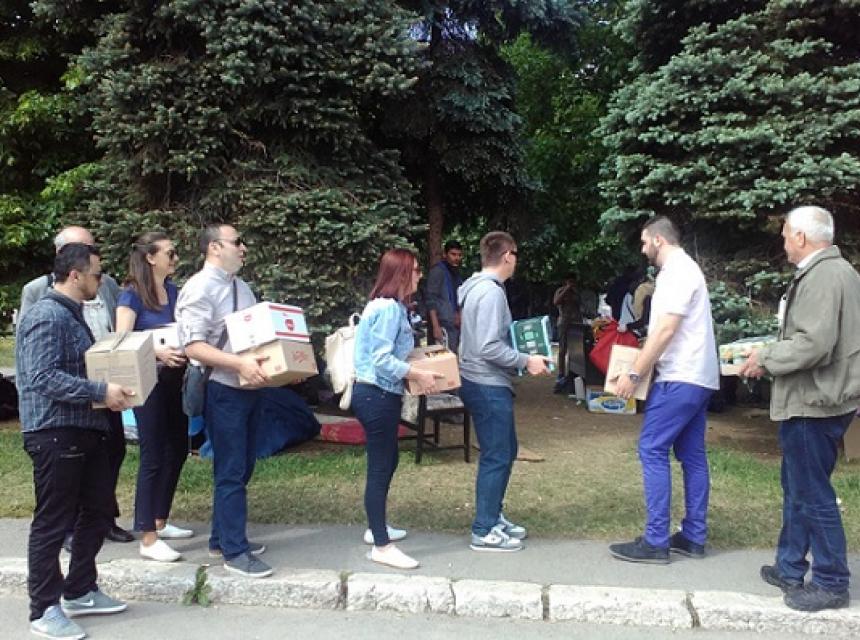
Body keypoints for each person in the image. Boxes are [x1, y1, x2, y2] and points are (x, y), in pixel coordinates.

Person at [740, 205, 860, 612]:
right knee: (798, 488)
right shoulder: (833, 272)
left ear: (802, 237)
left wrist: (766, 357)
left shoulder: (824, 276)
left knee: (812, 494)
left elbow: (814, 344)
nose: (784, 242)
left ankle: (831, 581)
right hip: (817, 398)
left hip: (815, 402)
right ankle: (789, 567)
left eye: (786, 234)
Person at [16, 243, 135, 640]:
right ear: (75, 275)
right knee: (53, 522)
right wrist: (100, 391)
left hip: (86, 429)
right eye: (97, 275)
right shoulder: (47, 315)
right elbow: (42, 376)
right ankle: (43, 609)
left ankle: (80, 589)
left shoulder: (72, 314)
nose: (102, 283)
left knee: (99, 510)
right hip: (54, 433)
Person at [609, 216, 719, 564]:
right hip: (698, 377)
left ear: (658, 240)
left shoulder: (676, 273)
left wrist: (634, 373)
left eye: (644, 242)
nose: (643, 249)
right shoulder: (687, 271)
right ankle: (693, 537)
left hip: (679, 377)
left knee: (652, 449)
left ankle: (656, 541)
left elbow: (666, 331)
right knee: (692, 455)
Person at [176, 224, 272, 578]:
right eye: (237, 242)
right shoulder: (199, 288)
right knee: (230, 470)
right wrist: (239, 364)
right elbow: (193, 346)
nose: (244, 248)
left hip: (249, 387)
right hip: (223, 389)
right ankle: (235, 551)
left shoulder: (240, 287)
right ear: (215, 247)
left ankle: (221, 538)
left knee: (243, 466)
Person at [458, 231, 551, 552]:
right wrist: (526, 360)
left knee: (505, 450)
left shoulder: (477, 288)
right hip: (485, 383)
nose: (516, 261)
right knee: (497, 455)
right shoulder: (490, 292)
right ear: (507, 255)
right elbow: (488, 346)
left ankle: (492, 515)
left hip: (482, 380)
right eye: (516, 255)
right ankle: (483, 530)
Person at [351, 249, 442, 569]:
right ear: (401, 274)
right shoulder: (388, 309)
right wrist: (418, 374)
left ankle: (377, 527)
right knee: (380, 467)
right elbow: (381, 359)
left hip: (381, 394)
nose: (419, 275)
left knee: (388, 461)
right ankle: (381, 545)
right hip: (375, 395)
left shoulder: (393, 307)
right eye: (415, 270)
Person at [115, 232, 192, 563]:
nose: (175, 259)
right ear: (150, 257)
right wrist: (158, 352)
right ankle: (147, 536)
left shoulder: (173, 291)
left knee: (178, 448)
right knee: (153, 453)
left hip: (175, 380)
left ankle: (159, 519)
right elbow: (121, 340)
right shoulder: (131, 294)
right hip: (147, 383)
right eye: (169, 253)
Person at [425, 240, 464, 352]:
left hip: (455, 325)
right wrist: (435, 326)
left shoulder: (456, 273)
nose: (456, 258)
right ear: (445, 254)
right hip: (442, 326)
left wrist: (459, 314)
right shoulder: (437, 271)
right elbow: (430, 300)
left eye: (459, 255)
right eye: (453, 254)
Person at [552, 276, 582, 393]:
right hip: (563, 322)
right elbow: (556, 302)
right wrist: (566, 289)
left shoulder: (576, 292)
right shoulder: (560, 291)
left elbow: (580, 304)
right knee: (562, 349)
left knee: (575, 351)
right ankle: (561, 374)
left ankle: (572, 374)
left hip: (575, 322)